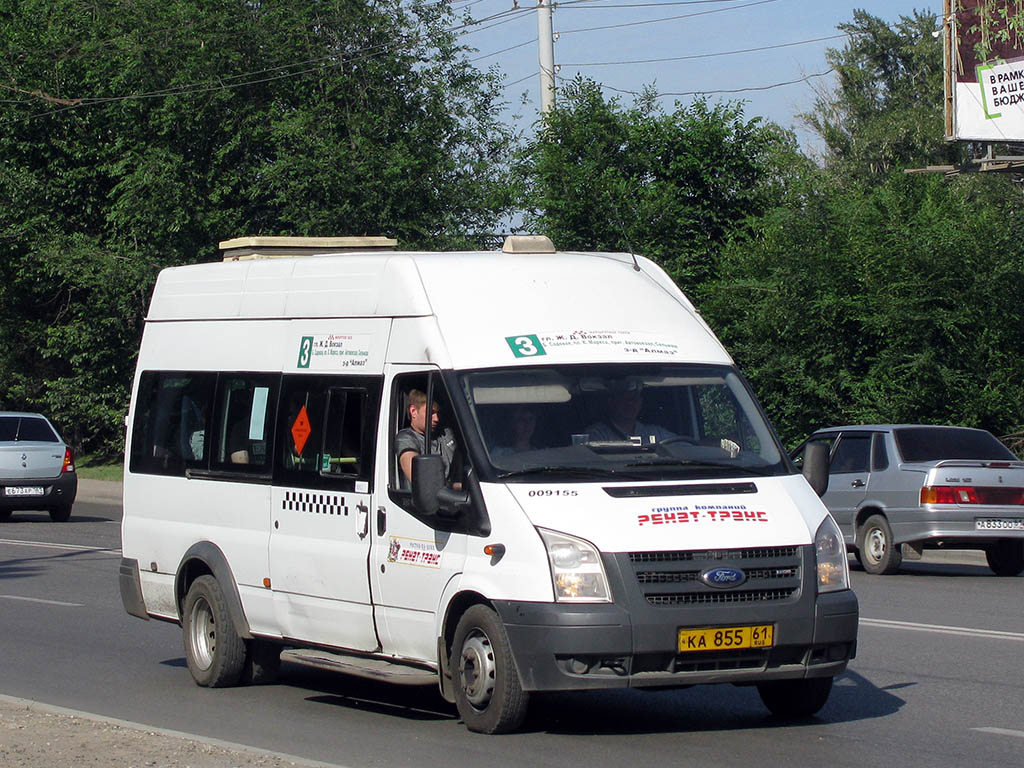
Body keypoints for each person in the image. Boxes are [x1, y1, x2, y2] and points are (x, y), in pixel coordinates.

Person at [396, 389, 457, 486]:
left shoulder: (445, 433)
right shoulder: (406, 439)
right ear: (413, 411)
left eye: (438, 413)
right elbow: (421, 480)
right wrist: (456, 487)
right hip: (426, 499)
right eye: (431, 413)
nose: (436, 419)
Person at [584, 382, 675, 444]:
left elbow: (684, 448)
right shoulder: (598, 434)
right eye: (625, 399)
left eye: (634, 399)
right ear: (612, 402)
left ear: (640, 402)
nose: (630, 404)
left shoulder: (656, 433)